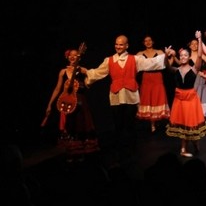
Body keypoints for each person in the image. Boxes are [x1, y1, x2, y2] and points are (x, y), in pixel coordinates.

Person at [85, 35, 170, 164]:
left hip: (131, 95)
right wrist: (87, 75)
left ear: (126, 46)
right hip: (116, 96)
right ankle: (120, 150)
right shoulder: (109, 60)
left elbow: (151, 63)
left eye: (121, 44)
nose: (118, 47)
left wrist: (165, 56)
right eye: (116, 44)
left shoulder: (135, 59)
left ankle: (132, 150)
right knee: (118, 124)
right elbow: (98, 72)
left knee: (130, 124)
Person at [44, 44, 99, 158]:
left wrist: (86, 79)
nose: (73, 57)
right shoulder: (63, 72)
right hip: (68, 102)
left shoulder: (82, 70)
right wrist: (50, 104)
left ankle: (85, 157)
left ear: (79, 56)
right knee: (70, 128)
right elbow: (57, 89)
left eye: (76, 55)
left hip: (81, 102)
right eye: (71, 55)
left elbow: (92, 78)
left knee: (81, 126)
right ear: (67, 57)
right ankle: (72, 156)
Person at [165, 32, 206, 157]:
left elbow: (200, 56)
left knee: (191, 124)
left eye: (186, 55)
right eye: (181, 55)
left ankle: (195, 143)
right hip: (180, 100)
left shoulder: (194, 69)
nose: (183, 57)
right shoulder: (176, 70)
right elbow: (167, 66)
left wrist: (200, 39)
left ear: (189, 56)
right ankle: (183, 149)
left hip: (190, 100)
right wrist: (166, 54)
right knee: (183, 125)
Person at [136, 35, 170, 133]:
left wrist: (170, 55)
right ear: (143, 43)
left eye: (149, 40)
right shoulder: (140, 54)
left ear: (153, 41)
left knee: (158, 97)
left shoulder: (159, 52)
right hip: (146, 78)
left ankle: (161, 120)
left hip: (157, 77)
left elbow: (167, 63)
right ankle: (152, 123)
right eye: (145, 41)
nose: (148, 42)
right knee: (149, 99)